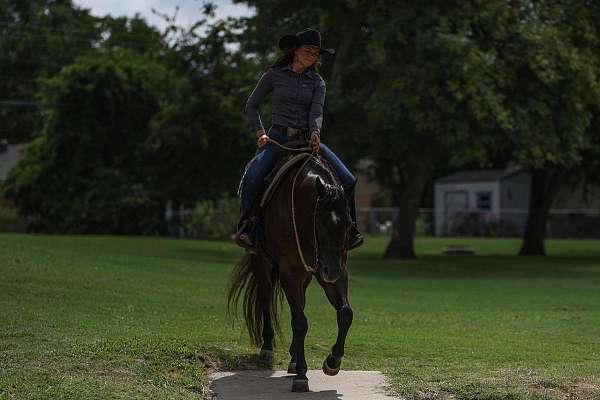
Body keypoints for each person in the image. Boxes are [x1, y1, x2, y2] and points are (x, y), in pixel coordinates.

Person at [235, 28, 363, 251]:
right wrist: (260, 132)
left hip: (307, 139)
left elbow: (317, 112)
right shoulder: (273, 75)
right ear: (295, 50)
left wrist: (315, 132)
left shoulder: (318, 83)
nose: (311, 56)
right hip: (277, 139)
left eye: (315, 53)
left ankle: (350, 230)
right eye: (307, 51)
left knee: (349, 180)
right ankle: (247, 228)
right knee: (252, 177)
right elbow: (251, 105)